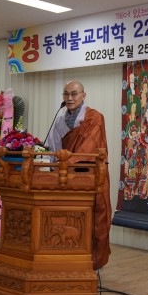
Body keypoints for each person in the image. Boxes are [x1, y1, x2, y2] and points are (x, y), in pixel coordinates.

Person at [46, 80, 112, 270]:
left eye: (74, 94)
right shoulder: (59, 119)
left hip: (89, 177)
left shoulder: (94, 118)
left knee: (94, 220)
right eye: (66, 94)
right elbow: (53, 147)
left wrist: (65, 162)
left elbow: (88, 149)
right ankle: (65, 260)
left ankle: (94, 264)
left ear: (84, 95)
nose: (70, 98)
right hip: (65, 178)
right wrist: (51, 165)